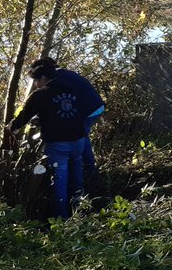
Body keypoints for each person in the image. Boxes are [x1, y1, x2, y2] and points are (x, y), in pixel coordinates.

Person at [7, 58, 104, 220]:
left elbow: (22, 118)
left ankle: (62, 218)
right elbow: (79, 110)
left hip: (58, 145)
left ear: (43, 78)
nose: (37, 84)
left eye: (37, 80)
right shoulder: (73, 89)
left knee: (60, 178)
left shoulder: (39, 95)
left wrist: (11, 127)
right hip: (78, 141)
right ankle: (79, 208)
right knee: (77, 172)